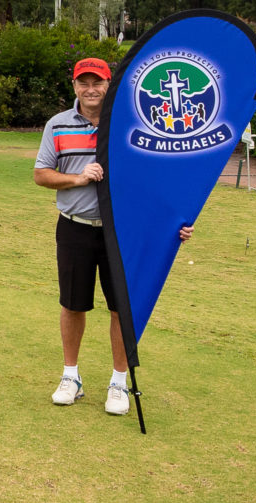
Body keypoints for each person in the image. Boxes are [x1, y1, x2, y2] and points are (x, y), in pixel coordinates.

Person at [33, 57, 191, 415]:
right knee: (72, 304)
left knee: (122, 306)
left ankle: (118, 382)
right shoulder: (58, 125)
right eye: (83, 82)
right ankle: (71, 377)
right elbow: (42, 174)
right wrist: (78, 178)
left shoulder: (130, 124)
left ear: (109, 86)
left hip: (123, 233)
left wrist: (175, 222)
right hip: (75, 226)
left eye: (98, 83)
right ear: (74, 86)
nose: (91, 90)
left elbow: (157, 180)